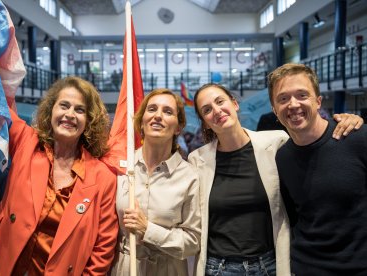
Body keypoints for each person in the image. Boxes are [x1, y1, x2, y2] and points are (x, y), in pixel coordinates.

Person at [188, 83, 363, 276]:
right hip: (219, 268)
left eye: (220, 101)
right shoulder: (197, 160)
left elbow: (312, 139)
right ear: (204, 121)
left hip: (268, 265)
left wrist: (345, 120)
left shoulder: (276, 142)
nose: (216, 110)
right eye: (207, 110)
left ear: (235, 104)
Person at [0, 77, 118, 275]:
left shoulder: (103, 177)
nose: (70, 114)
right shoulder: (26, 143)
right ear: (50, 111)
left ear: (89, 121)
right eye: (64, 105)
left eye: (79, 110)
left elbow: (103, 246)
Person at [267, 63, 367, 275]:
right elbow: (295, 217)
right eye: (283, 98)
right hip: (306, 268)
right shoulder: (282, 157)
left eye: (302, 95)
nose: (293, 105)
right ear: (275, 110)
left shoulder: (357, 138)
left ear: (318, 101)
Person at [110, 88, 201, 275]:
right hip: (124, 268)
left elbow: (193, 242)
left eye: (167, 112)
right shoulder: (121, 169)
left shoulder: (190, 176)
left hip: (167, 269)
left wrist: (148, 230)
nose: (158, 116)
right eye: (151, 109)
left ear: (178, 127)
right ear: (141, 122)